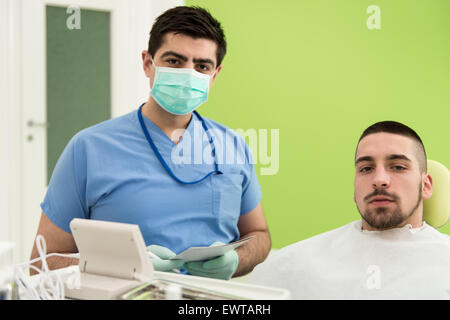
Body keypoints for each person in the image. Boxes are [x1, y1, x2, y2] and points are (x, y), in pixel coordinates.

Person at [31, 6, 271, 280]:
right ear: (148, 63)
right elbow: (42, 263)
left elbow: (259, 235)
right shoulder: (88, 148)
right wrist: (122, 267)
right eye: (174, 61)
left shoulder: (234, 146)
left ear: (214, 76)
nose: (187, 74)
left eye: (201, 66)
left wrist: (237, 260)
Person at [249, 121, 450, 299]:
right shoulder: (295, 263)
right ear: (355, 190)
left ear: (426, 186)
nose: (379, 179)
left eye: (397, 167)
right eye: (366, 169)